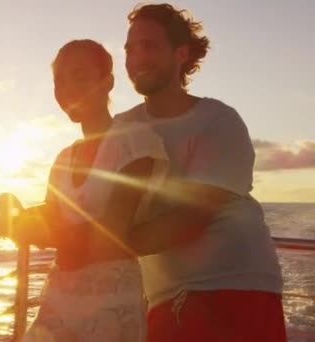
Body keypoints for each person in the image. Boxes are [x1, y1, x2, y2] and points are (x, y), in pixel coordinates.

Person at [118, 3, 287, 341]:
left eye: (149, 45)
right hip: (167, 297)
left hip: (236, 288)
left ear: (182, 53)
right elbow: (92, 202)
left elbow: (191, 218)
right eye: (130, 49)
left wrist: (100, 247)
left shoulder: (218, 120)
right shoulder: (121, 129)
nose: (136, 57)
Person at [0, 39, 169, 341]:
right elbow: (53, 216)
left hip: (110, 309)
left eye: (78, 76)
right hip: (58, 300)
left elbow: (107, 238)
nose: (66, 88)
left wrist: (32, 231)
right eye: (59, 80)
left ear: (108, 82)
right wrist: (15, 212)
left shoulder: (136, 144)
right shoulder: (64, 159)